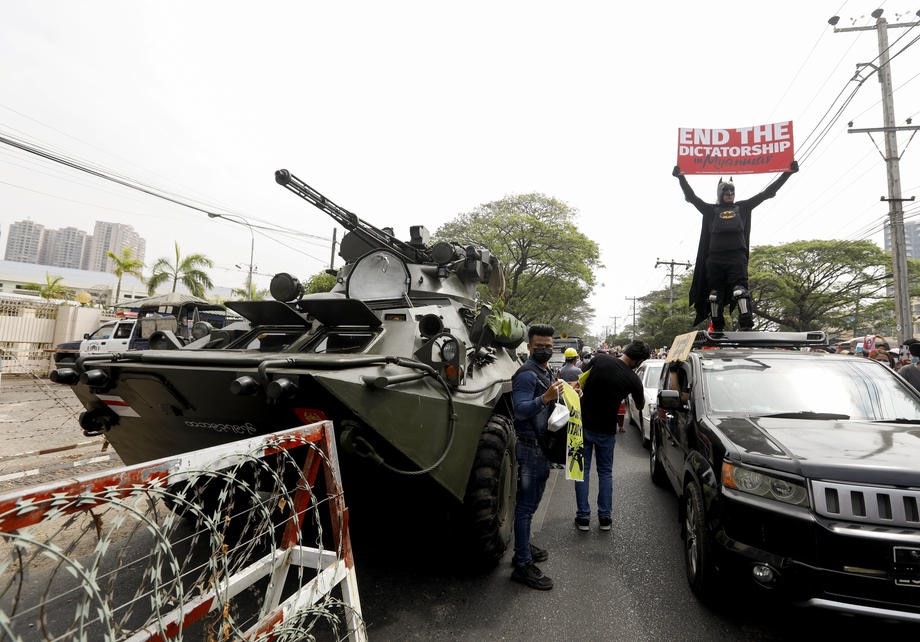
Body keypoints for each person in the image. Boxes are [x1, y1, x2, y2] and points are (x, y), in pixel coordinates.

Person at [673, 162, 798, 331]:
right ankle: (717, 325)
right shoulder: (710, 210)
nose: (730, 194)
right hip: (714, 259)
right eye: (726, 191)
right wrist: (681, 178)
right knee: (714, 295)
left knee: (740, 291)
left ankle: (746, 323)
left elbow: (767, 193)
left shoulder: (743, 207)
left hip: (736, 258)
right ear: (719, 193)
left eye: (732, 191)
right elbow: (692, 197)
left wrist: (787, 173)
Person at [510, 323, 566, 590]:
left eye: (549, 346)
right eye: (540, 346)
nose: (545, 350)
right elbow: (520, 410)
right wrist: (545, 397)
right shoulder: (525, 375)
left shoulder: (546, 370)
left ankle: (524, 547)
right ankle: (521, 564)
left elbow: (549, 404)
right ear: (530, 346)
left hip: (542, 446)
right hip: (530, 447)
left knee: (530, 506)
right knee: (525, 507)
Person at [574, 340, 649, 532]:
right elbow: (640, 406)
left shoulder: (599, 360)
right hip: (606, 430)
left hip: (583, 425)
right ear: (638, 361)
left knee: (582, 472)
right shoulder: (633, 379)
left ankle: (583, 518)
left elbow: (580, 379)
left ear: (625, 351)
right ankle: (605, 518)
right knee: (605, 473)